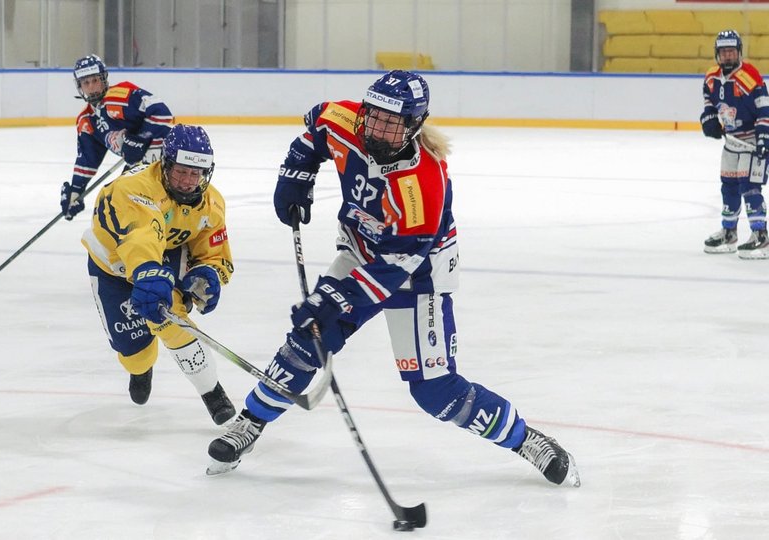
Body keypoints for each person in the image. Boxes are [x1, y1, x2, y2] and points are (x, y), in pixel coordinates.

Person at [205, 70, 581, 488]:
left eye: (392, 121)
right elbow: (316, 129)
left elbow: (394, 266)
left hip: (416, 276)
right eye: (374, 115)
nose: (378, 127)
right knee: (305, 344)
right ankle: (249, 424)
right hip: (360, 249)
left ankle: (525, 439)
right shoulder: (347, 121)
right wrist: (298, 173)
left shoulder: (422, 183)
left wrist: (332, 298)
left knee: (436, 392)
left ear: (414, 125)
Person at [81, 123, 236, 425]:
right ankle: (140, 368)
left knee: (171, 318)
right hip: (111, 264)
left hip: (162, 257)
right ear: (164, 164)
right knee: (134, 351)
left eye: (197, 173)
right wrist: (148, 271)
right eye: (181, 171)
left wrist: (208, 273)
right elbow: (142, 236)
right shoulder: (135, 188)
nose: (189, 181)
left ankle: (212, 393)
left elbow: (214, 250)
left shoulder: (212, 203)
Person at [61, 54, 174, 221]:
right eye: (86, 83)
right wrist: (76, 191)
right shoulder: (87, 121)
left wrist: (142, 139)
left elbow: (162, 113)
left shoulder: (119, 96)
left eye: (95, 80)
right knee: (113, 207)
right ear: (79, 87)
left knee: (126, 206)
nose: (91, 87)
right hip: (137, 167)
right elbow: (87, 161)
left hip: (165, 162)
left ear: (104, 79)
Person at [700, 30, 769, 259]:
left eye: (731, 52)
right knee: (728, 185)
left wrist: (763, 138)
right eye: (723, 52)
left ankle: (761, 235)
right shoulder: (711, 77)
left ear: (739, 52)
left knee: (749, 187)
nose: (728, 56)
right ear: (717, 54)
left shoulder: (750, 76)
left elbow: (764, 109)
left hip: (751, 141)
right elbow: (709, 100)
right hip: (731, 142)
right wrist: (709, 118)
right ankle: (729, 232)